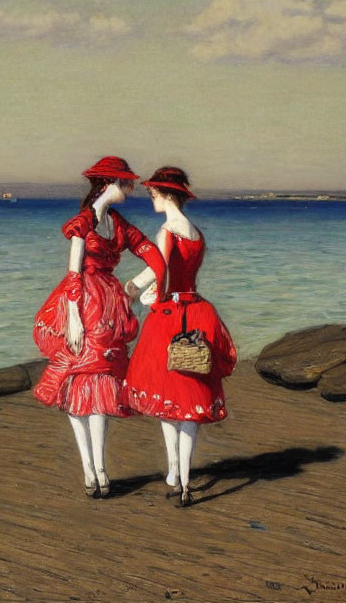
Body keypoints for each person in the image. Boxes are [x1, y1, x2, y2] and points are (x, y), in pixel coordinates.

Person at [33, 156, 167, 498]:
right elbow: (74, 272)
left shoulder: (118, 223)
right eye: (125, 183)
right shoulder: (84, 222)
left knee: (99, 384)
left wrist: (134, 288)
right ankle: (90, 470)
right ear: (108, 184)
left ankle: (100, 469)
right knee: (77, 384)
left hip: (106, 307)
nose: (129, 189)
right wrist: (75, 318)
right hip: (79, 305)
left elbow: (156, 258)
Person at [124, 166, 237, 507]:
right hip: (197, 312)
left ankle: (175, 471)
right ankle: (181, 477)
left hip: (170, 317)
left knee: (166, 393)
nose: (152, 200)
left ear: (167, 195)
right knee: (189, 397)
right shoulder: (196, 232)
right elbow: (183, 274)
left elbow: (157, 272)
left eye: (154, 195)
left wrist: (132, 289)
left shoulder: (166, 230)